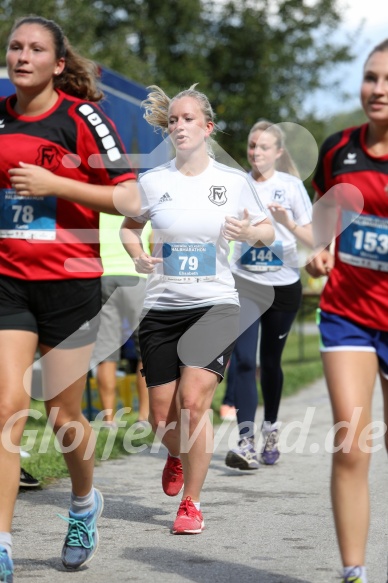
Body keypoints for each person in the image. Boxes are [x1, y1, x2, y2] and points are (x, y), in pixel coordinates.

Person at [0, 15, 139, 580]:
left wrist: (57, 185)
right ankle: (3, 543)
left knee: (64, 415)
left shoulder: (82, 117)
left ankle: (83, 503)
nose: (22, 56)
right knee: (7, 405)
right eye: (14, 46)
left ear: (59, 63)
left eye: (36, 49)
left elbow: (129, 195)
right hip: (8, 280)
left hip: (70, 284)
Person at [120, 84, 274, 534]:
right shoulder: (153, 181)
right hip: (162, 307)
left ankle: (192, 503)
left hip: (215, 304)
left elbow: (267, 231)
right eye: (173, 120)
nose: (179, 126)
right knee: (159, 419)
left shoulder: (233, 182)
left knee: (192, 404)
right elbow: (130, 228)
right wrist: (136, 254)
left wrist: (248, 231)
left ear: (207, 128)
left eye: (188, 119)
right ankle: (176, 453)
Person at [305, 39, 388, 583]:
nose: (378, 91)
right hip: (348, 312)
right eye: (371, 77)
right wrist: (319, 248)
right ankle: (354, 572)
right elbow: (324, 214)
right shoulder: (339, 149)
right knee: (351, 444)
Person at [224, 120, 313, 470]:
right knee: (245, 360)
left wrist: (287, 223)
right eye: (252, 146)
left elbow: (312, 238)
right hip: (244, 281)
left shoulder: (290, 187)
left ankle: (271, 427)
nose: (256, 152)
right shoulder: (234, 184)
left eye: (264, 147)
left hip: (282, 285)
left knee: (271, 362)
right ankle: (246, 443)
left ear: (278, 152)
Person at [91, 213, 150, 428]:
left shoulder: (100, 203)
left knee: (106, 351)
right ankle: (143, 417)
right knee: (146, 349)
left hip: (104, 275)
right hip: (137, 277)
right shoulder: (141, 203)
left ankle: (108, 419)